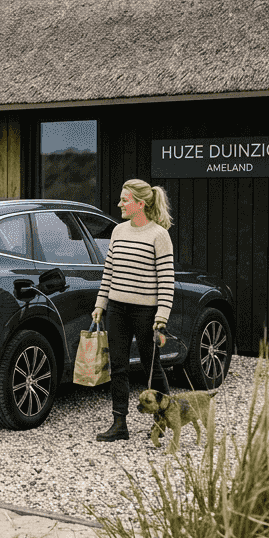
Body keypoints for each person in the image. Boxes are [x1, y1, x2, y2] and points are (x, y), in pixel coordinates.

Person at [90, 178, 175, 442]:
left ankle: (166, 418)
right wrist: (100, 304)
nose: (119, 204)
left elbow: (166, 279)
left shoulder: (159, 235)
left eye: (124, 200)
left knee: (152, 367)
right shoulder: (118, 232)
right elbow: (109, 272)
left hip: (146, 314)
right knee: (118, 368)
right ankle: (119, 424)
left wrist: (162, 315)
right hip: (117, 309)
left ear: (140, 204)